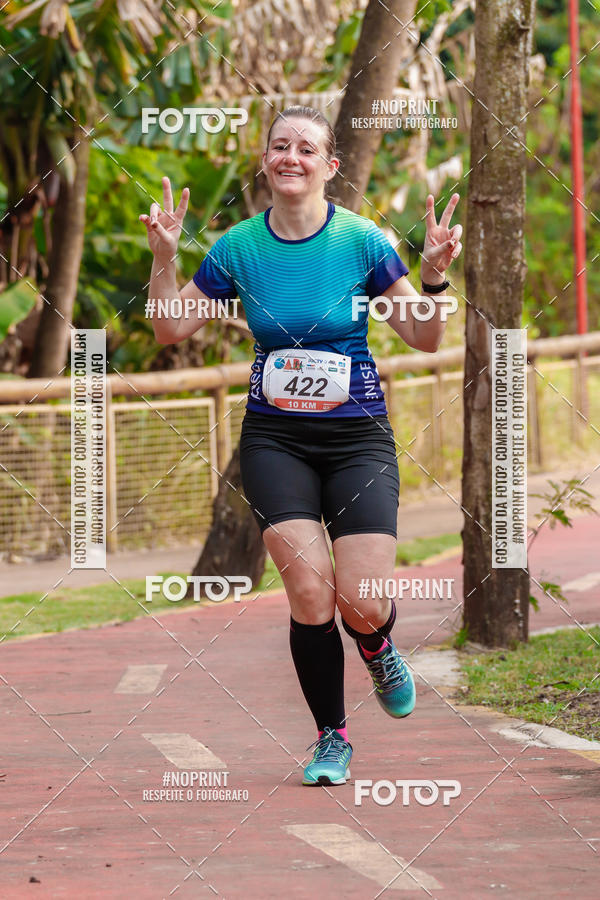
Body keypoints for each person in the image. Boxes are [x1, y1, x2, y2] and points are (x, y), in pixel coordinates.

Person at [140, 106, 462, 787]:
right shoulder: (237, 249)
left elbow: (426, 337)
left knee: (362, 600)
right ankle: (331, 737)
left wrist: (432, 277)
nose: (291, 157)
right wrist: (164, 259)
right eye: (279, 146)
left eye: (306, 148)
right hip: (275, 440)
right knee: (311, 594)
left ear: (330, 165)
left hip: (357, 440)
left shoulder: (363, 242)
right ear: (265, 159)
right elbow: (170, 330)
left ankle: (376, 643)